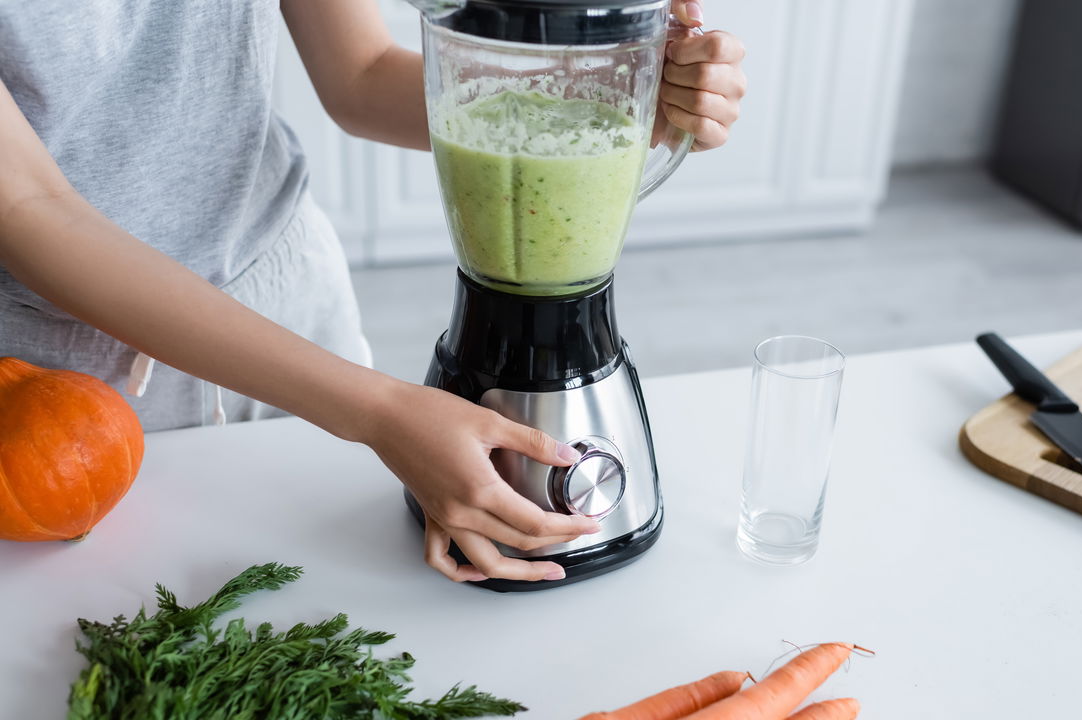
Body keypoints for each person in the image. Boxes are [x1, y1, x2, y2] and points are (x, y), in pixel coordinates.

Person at [0, 0, 746, 583]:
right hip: (59, 398)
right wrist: (381, 411)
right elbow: (27, 208)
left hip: (287, 300)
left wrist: (621, 98)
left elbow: (357, 74)